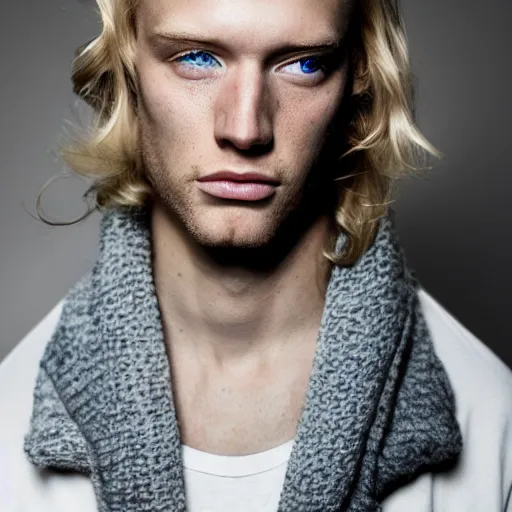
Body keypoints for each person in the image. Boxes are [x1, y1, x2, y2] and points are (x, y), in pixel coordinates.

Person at [0, 0, 511, 510]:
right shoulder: (9, 420)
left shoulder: (494, 426)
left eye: (304, 64)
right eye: (196, 58)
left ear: (360, 73)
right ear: (126, 62)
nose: (245, 129)